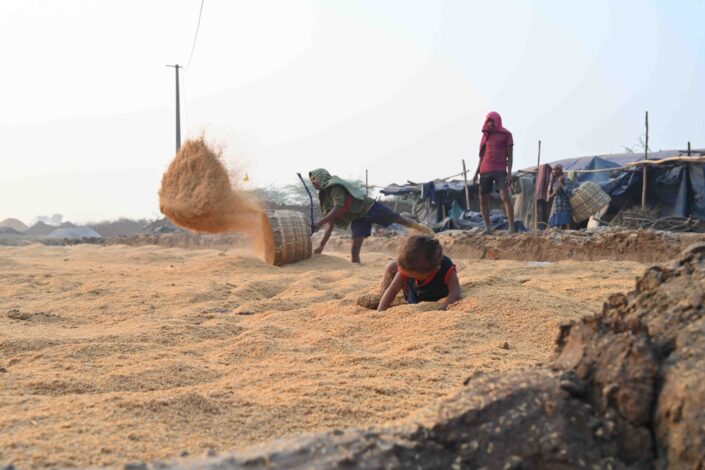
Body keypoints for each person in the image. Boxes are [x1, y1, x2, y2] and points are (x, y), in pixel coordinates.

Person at [309, 168, 433, 263]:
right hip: (358, 219)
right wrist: (321, 245)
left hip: (371, 208)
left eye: (314, 179)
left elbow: (338, 207)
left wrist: (319, 224)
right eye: (311, 180)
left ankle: (424, 230)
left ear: (321, 177)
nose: (313, 182)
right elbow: (330, 222)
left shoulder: (334, 187)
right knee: (355, 251)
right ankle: (357, 271)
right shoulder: (325, 198)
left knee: (398, 219)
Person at [377, 235, 461, 311]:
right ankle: (380, 298)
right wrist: (380, 311)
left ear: (434, 270)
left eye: (412, 276)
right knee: (392, 266)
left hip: (436, 296)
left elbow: (455, 291)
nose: (407, 276)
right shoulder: (409, 265)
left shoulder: (445, 267)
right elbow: (393, 289)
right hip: (415, 295)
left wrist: (443, 308)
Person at [472, 111, 515, 234]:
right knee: (483, 200)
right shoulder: (486, 135)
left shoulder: (506, 134)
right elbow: (482, 157)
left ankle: (512, 228)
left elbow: (510, 156)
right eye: (488, 121)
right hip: (485, 170)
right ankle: (488, 228)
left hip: (500, 169)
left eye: (492, 121)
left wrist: (509, 173)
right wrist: (476, 173)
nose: (490, 123)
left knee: (505, 197)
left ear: (497, 121)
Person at [547, 164, 574, 229]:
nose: (554, 171)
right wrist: (552, 194)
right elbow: (551, 195)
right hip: (555, 208)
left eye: (556, 169)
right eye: (553, 170)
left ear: (560, 170)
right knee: (554, 229)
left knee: (564, 229)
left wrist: (561, 184)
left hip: (564, 208)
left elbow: (570, 193)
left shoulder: (566, 179)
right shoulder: (553, 181)